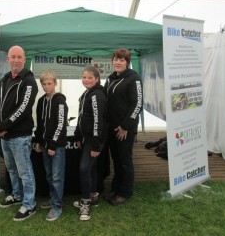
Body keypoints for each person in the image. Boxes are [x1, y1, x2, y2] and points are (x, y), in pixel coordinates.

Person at [0, 45, 38, 222]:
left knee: (25, 172)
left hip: (20, 136)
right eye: (13, 57)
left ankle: (29, 204)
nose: (16, 60)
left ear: (24, 60)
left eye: (20, 57)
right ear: (8, 59)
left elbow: (23, 109)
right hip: (5, 135)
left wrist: (3, 126)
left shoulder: (28, 81)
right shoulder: (4, 79)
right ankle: (17, 195)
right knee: (11, 169)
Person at [103, 48, 143, 205]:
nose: (118, 62)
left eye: (122, 60)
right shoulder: (111, 78)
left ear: (127, 62)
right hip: (112, 128)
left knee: (124, 160)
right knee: (117, 159)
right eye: (116, 59)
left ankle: (125, 192)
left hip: (125, 129)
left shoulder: (134, 78)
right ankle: (116, 189)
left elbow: (138, 103)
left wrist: (125, 126)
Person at [73, 66, 107, 221]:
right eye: (84, 77)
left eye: (90, 77)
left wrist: (95, 145)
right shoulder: (88, 93)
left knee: (84, 169)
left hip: (94, 141)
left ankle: (85, 203)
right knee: (91, 169)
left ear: (97, 79)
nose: (86, 80)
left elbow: (97, 121)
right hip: (87, 139)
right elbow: (82, 118)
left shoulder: (96, 95)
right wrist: (78, 136)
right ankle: (93, 196)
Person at [34, 70, 68, 221]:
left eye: (49, 83)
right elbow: (40, 125)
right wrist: (38, 141)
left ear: (55, 83)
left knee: (57, 177)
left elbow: (61, 124)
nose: (47, 86)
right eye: (44, 84)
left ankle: (57, 206)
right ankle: (53, 198)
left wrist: (53, 145)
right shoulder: (41, 101)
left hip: (57, 146)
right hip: (45, 145)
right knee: (49, 175)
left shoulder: (60, 101)